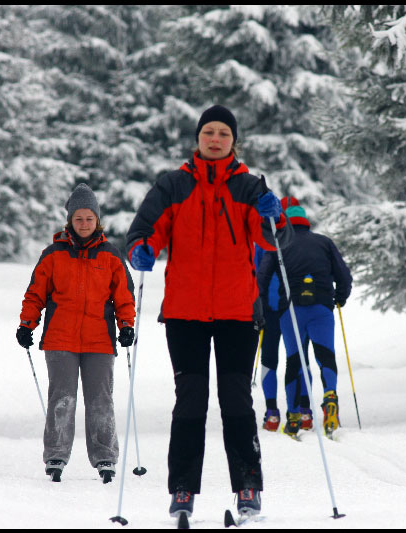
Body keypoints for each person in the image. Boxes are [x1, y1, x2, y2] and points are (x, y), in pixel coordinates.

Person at [125, 104, 291, 520]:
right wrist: (141, 251)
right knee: (191, 401)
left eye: (223, 133)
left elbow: (274, 241)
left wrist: (277, 218)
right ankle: (182, 490)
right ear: (198, 138)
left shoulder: (250, 188)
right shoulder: (172, 186)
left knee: (236, 399)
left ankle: (248, 487)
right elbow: (142, 232)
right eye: (208, 132)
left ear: (234, 142)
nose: (215, 139)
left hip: (237, 312)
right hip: (184, 315)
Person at [16, 183, 136, 484]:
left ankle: (105, 458)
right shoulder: (53, 255)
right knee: (62, 398)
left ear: (98, 221)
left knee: (101, 400)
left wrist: (127, 326)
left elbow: (124, 297)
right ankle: (56, 455)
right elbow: (35, 295)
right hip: (60, 338)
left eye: (89, 218)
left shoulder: (110, 255)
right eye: (79, 219)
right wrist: (26, 325)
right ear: (70, 221)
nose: (84, 224)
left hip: (99, 339)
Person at [258, 199, 352, 439]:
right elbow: (343, 275)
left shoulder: (278, 245)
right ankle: (330, 398)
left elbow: (263, 276)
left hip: (291, 310)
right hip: (321, 307)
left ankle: (293, 417)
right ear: (306, 222)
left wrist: (260, 304)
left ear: (286, 222)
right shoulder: (324, 242)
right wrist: (339, 298)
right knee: (325, 356)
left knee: (295, 360)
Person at [256, 198, 307, 432]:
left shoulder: (263, 240)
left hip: (268, 308)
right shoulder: (305, 242)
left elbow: (255, 271)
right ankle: (302, 411)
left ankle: (272, 412)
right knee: (297, 358)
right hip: (295, 309)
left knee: (269, 360)